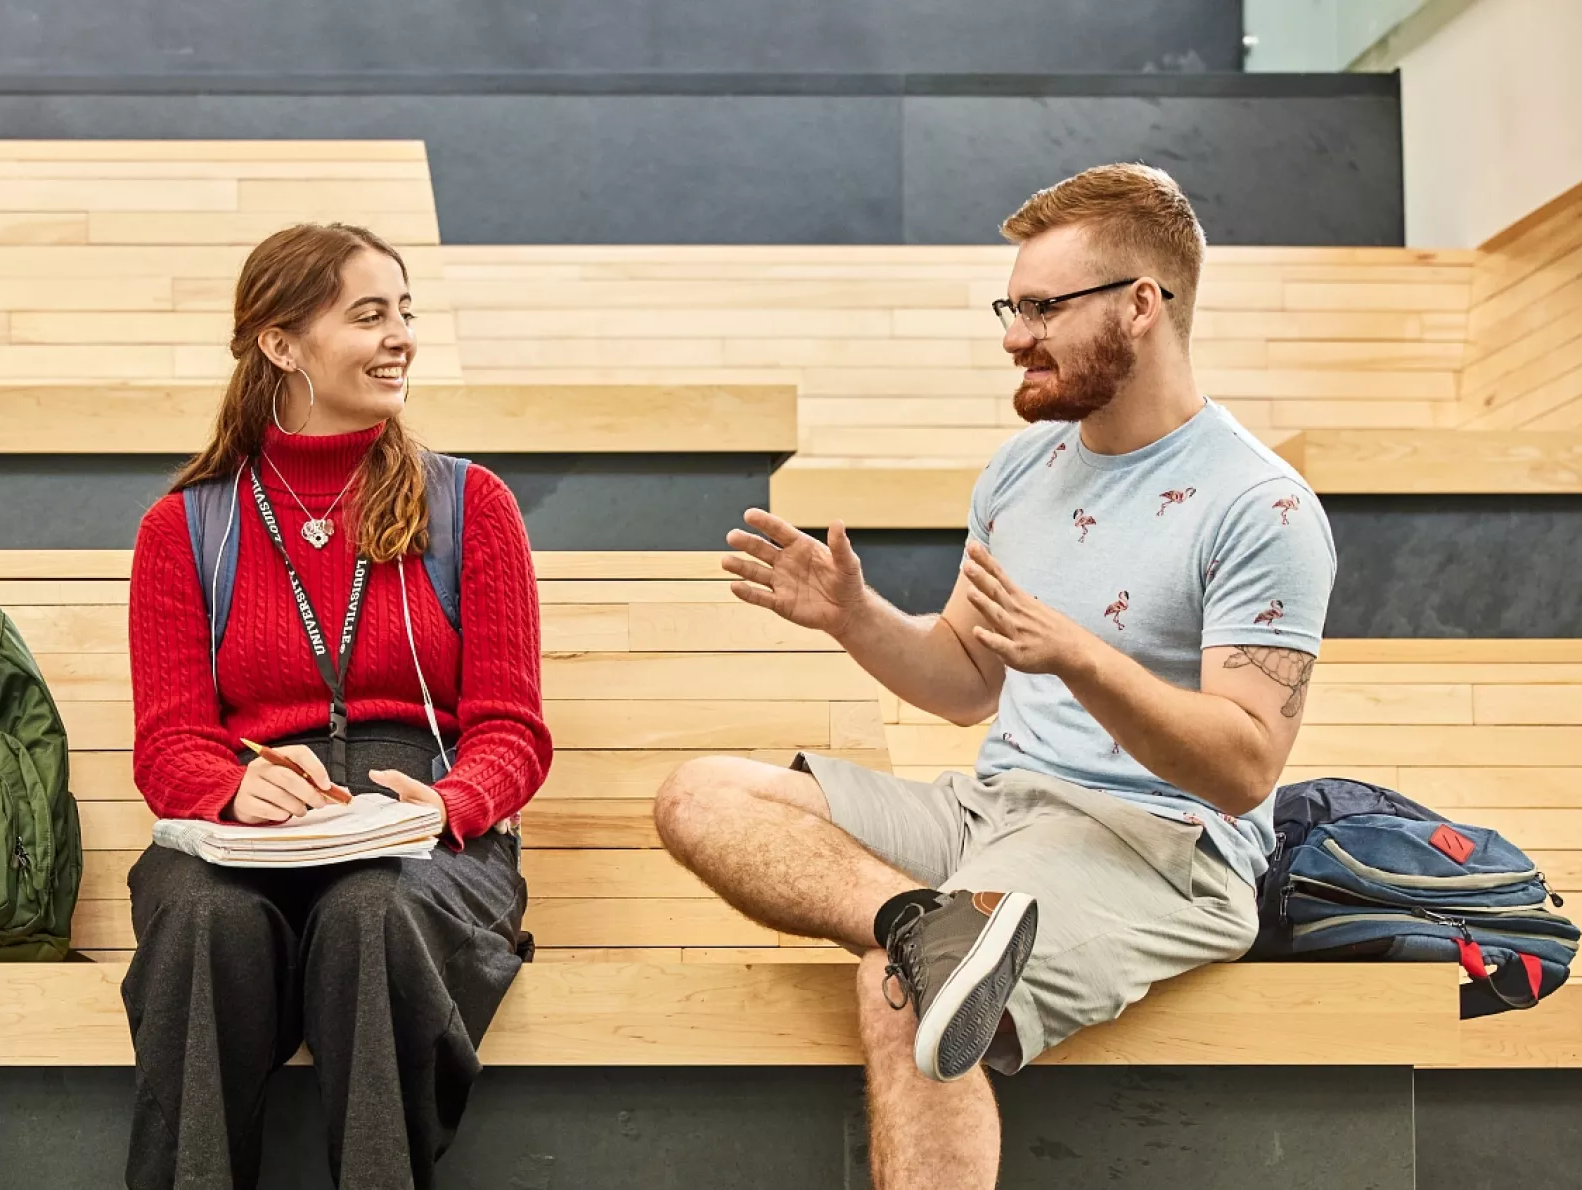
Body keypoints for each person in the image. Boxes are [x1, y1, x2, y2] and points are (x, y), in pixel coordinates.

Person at [651, 164, 1336, 1189]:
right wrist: (856, 616)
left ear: (1142, 305)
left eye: (1042, 308)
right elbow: (971, 676)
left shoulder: (1259, 507)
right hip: (992, 811)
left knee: (907, 995)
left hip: (1161, 845)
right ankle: (927, 923)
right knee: (700, 793)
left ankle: (931, 949)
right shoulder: (1022, 471)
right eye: (1010, 306)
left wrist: (1081, 657)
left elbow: (1241, 767)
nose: (1016, 334)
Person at [119, 223, 553, 1190]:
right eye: (369, 315)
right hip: (254, 829)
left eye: (406, 313)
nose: (401, 336)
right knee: (202, 924)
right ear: (281, 343)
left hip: (423, 828)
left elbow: (511, 730)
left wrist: (447, 805)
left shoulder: (471, 504)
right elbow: (169, 742)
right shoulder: (184, 525)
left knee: (371, 917)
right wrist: (233, 790)